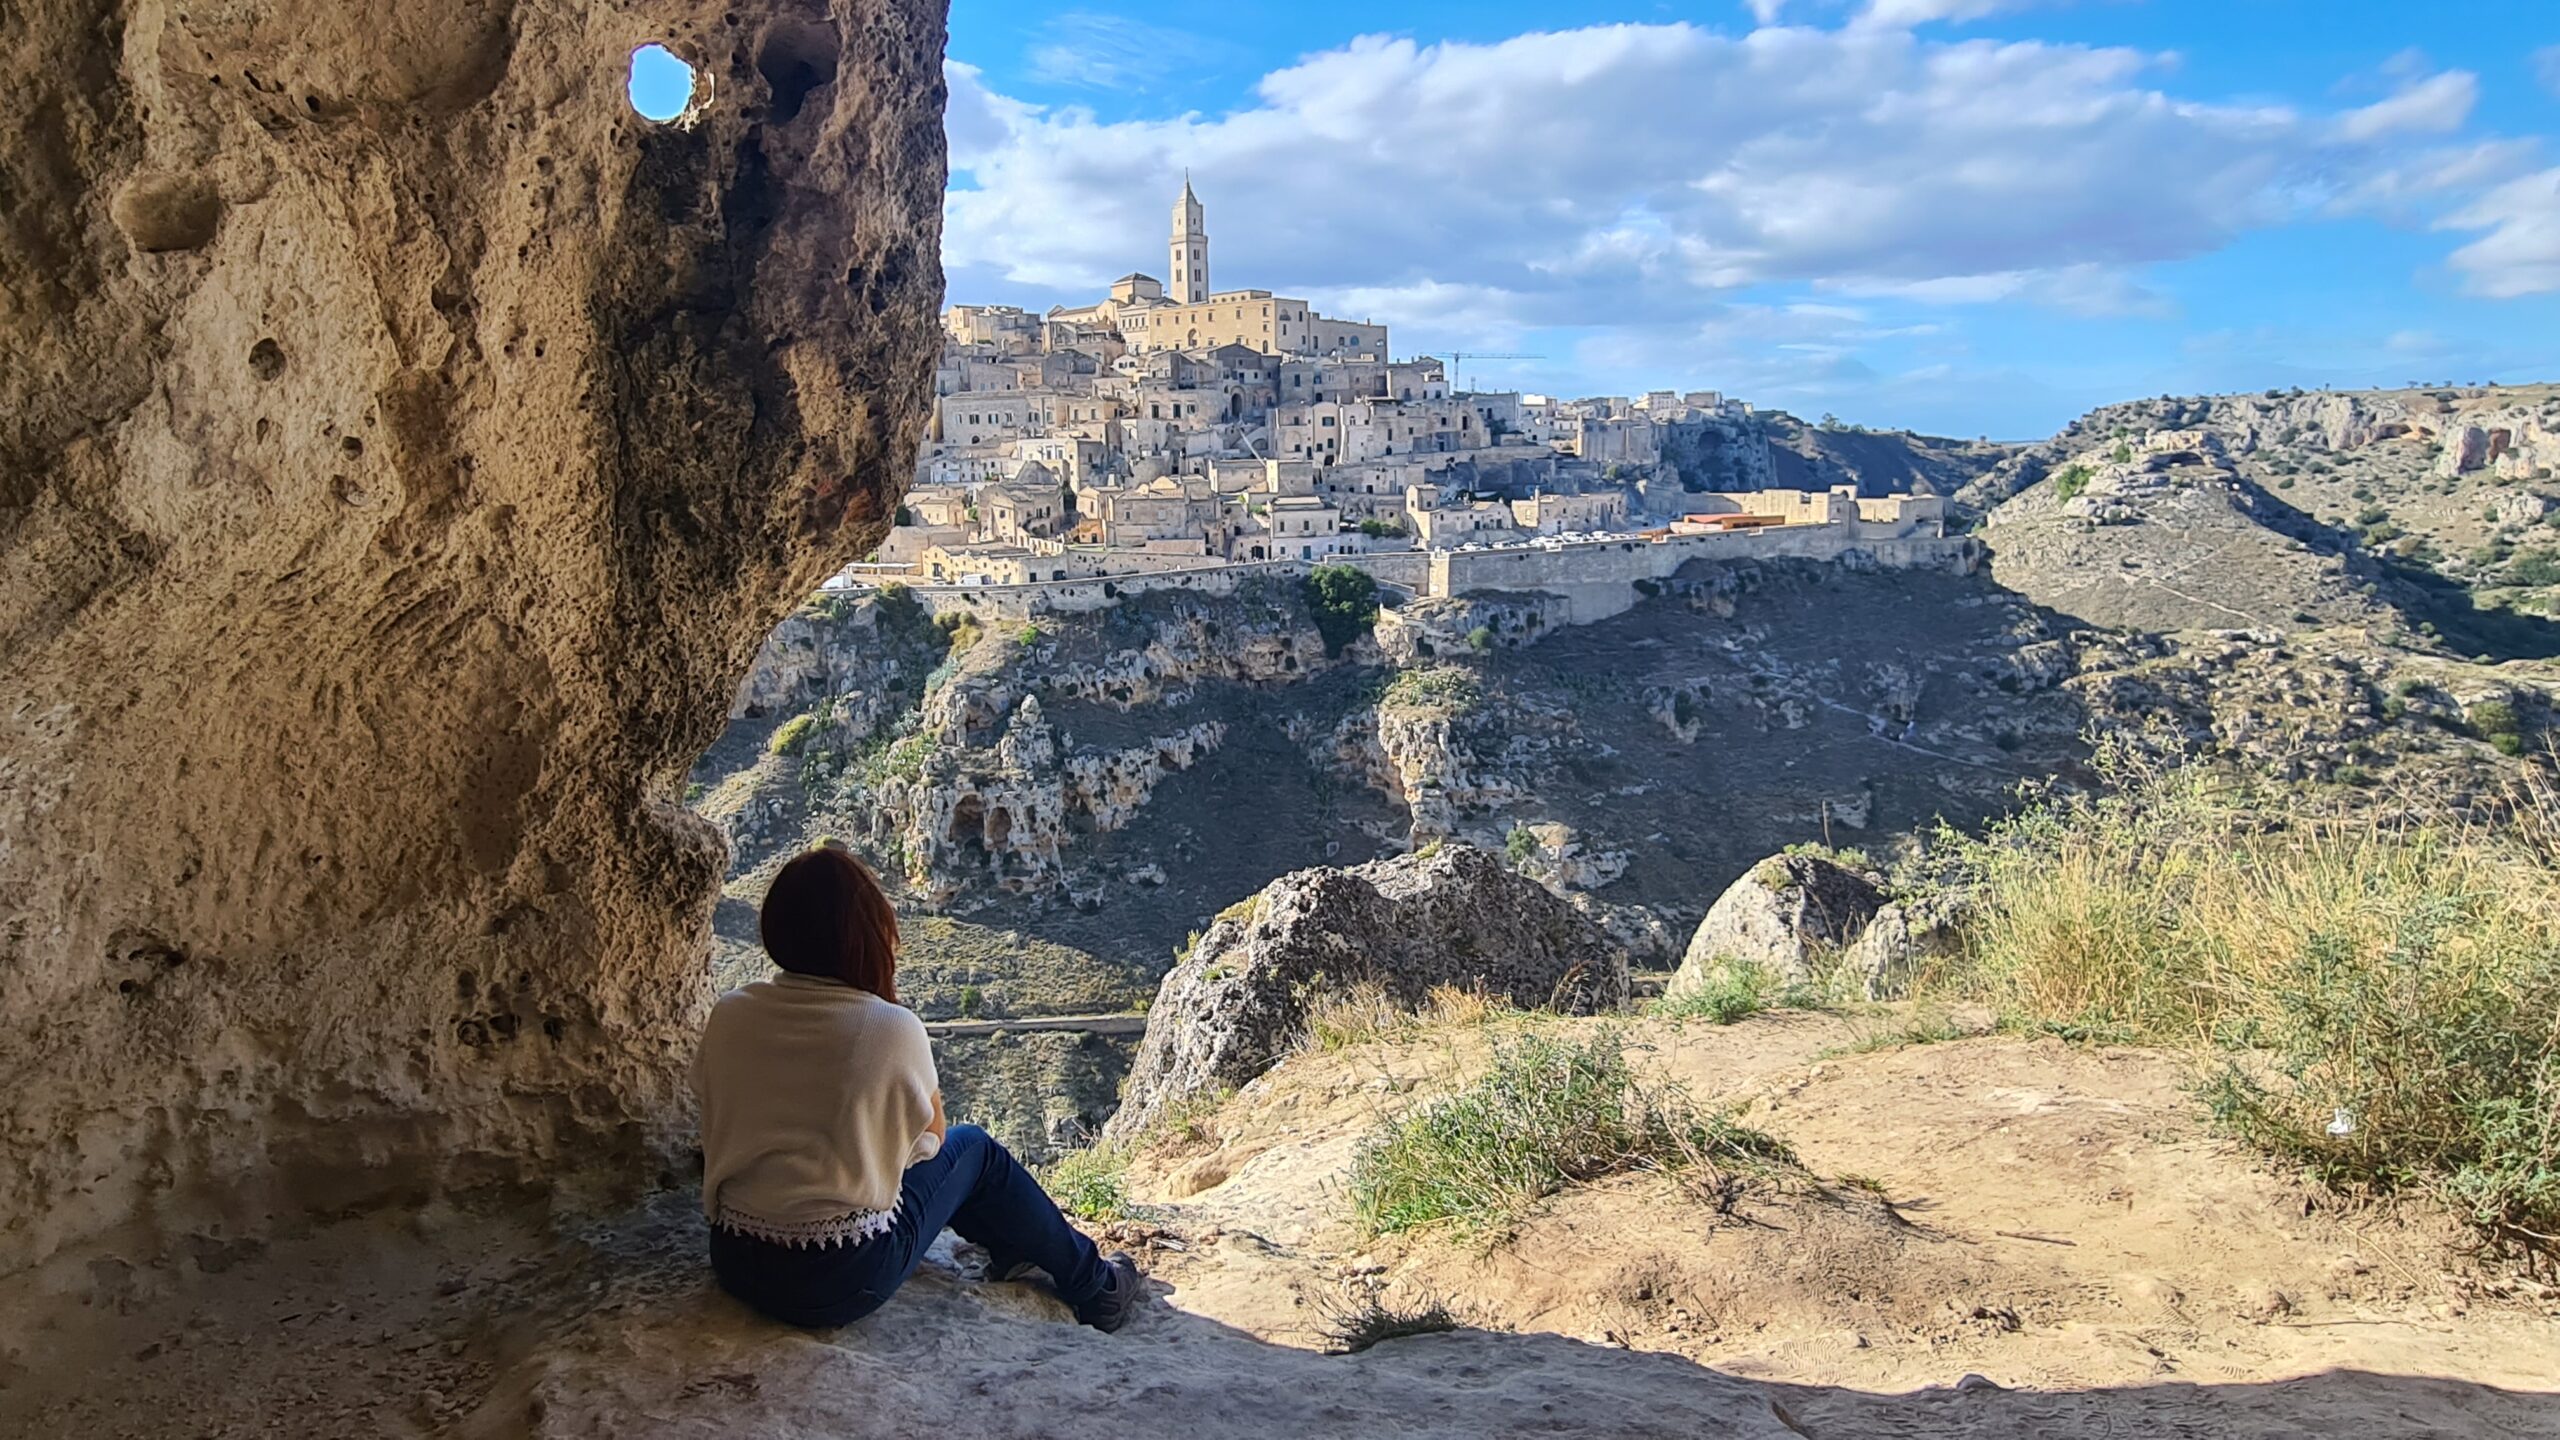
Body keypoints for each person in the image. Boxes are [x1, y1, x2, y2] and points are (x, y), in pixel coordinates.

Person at [692, 842, 1142, 1331]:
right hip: (839, 1280)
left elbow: (712, 1108)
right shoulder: (888, 1027)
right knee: (974, 1149)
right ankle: (1097, 1286)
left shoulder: (729, 1012)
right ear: (867, 933)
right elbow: (930, 1143)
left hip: (736, 1261)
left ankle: (1020, 1248)